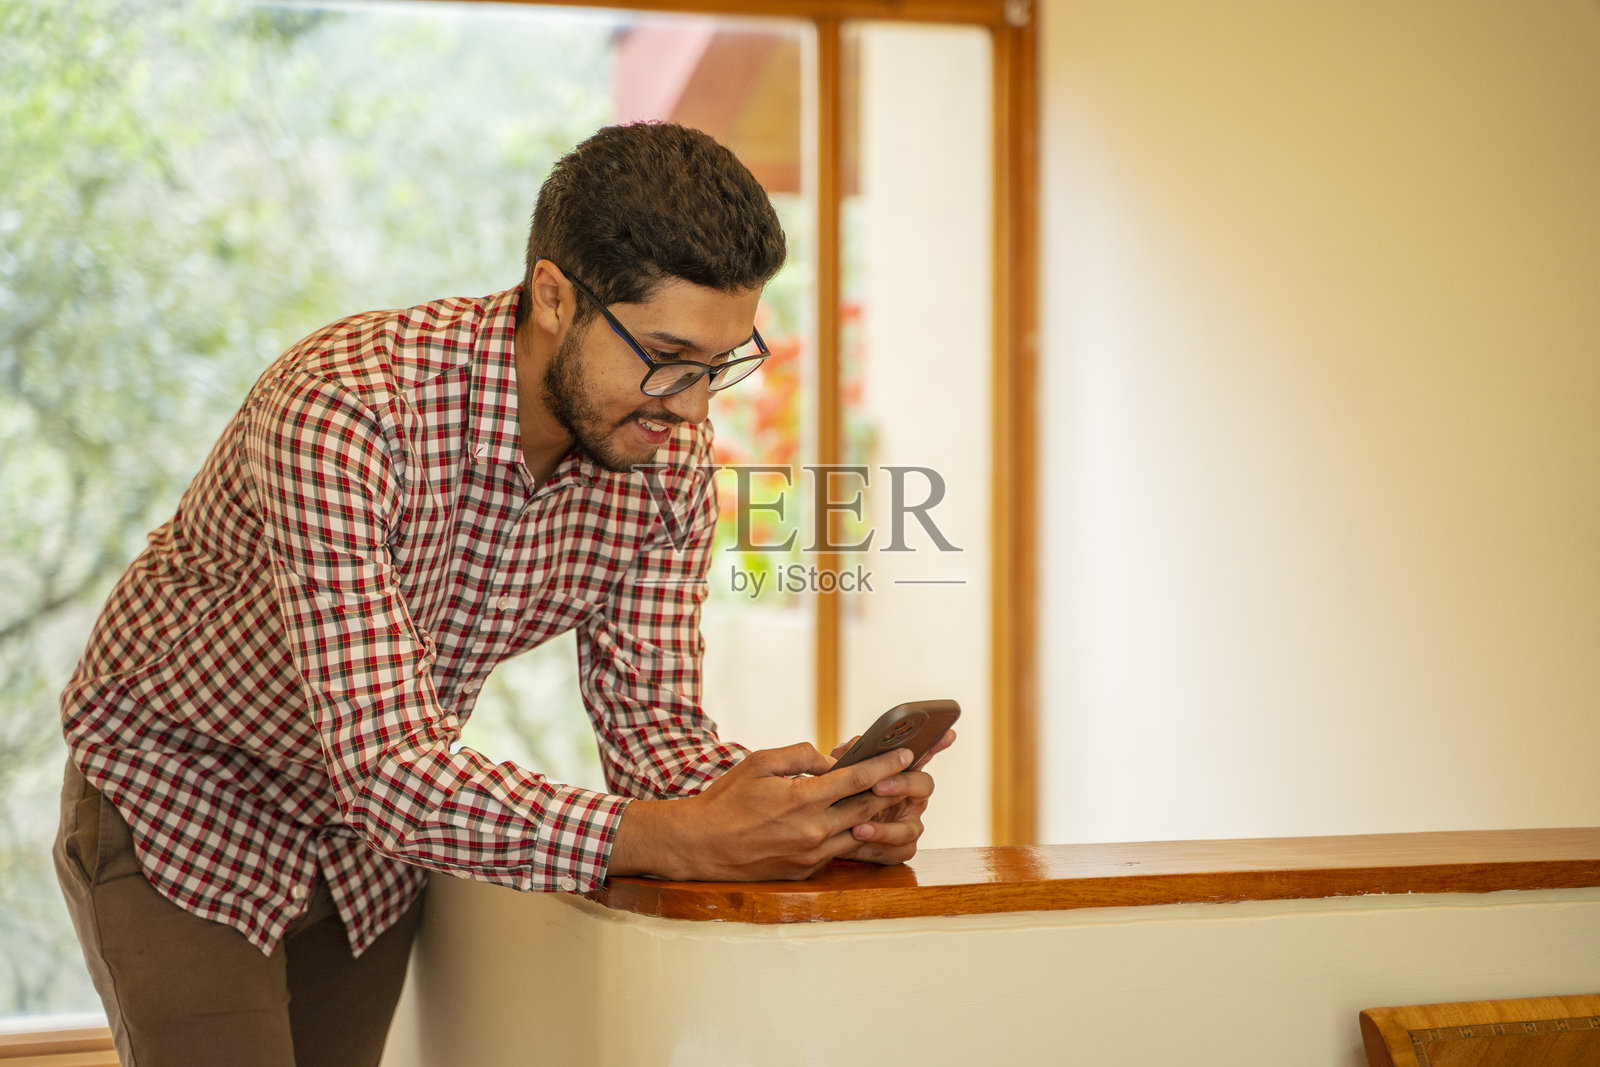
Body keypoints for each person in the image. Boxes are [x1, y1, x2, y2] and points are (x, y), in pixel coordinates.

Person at [53, 122, 950, 1067]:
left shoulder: (660, 460)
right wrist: (676, 839)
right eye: (666, 355)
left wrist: (808, 814)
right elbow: (391, 765)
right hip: (184, 799)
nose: (692, 408)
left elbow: (655, 733)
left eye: (719, 364)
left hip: (366, 853)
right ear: (555, 296)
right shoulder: (344, 408)